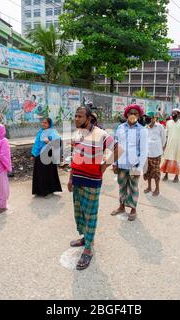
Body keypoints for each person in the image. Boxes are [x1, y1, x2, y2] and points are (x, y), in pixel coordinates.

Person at [68, 106, 119, 270]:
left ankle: (88, 248)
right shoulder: (76, 134)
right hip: (77, 179)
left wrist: (105, 165)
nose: (76, 119)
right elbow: (74, 157)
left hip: (92, 181)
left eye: (80, 116)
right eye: (75, 116)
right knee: (80, 212)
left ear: (88, 118)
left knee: (90, 214)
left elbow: (118, 149)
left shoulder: (101, 134)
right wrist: (70, 178)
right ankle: (85, 238)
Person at [111, 104, 148, 222]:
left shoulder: (142, 130)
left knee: (133, 187)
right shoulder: (120, 128)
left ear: (139, 115)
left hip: (134, 164)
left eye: (135, 113)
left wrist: (140, 167)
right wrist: (114, 162)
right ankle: (121, 207)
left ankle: (133, 209)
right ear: (126, 114)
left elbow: (144, 151)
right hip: (121, 163)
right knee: (122, 186)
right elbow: (116, 146)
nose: (132, 115)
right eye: (130, 113)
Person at [31, 118, 62, 198]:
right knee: (38, 173)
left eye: (45, 123)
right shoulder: (40, 132)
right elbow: (36, 144)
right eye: (43, 122)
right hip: (39, 155)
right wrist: (33, 154)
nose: (43, 124)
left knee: (48, 173)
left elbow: (58, 144)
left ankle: (49, 191)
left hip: (49, 155)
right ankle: (39, 191)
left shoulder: (53, 132)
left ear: (49, 124)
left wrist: (49, 142)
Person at [143, 112, 166, 197]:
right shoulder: (145, 128)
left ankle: (157, 189)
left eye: (148, 117)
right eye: (146, 117)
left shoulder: (160, 127)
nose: (147, 119)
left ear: (153, 118)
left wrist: (160, 149)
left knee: (156, 172)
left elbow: (163, 140)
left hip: (156, 154)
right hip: (147, 154)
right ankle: (149, 187)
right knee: (148, 172)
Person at [161, 109, 180, 183]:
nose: (173, 114)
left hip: (178, 145)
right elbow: (166, 134)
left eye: (175, 113)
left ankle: (176, 176)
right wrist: (164, 145)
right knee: (167, 159)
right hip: (169, 144)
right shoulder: (168, 122)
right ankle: (166, 175)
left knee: (177, 160)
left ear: (178, 115)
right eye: (172, 113)